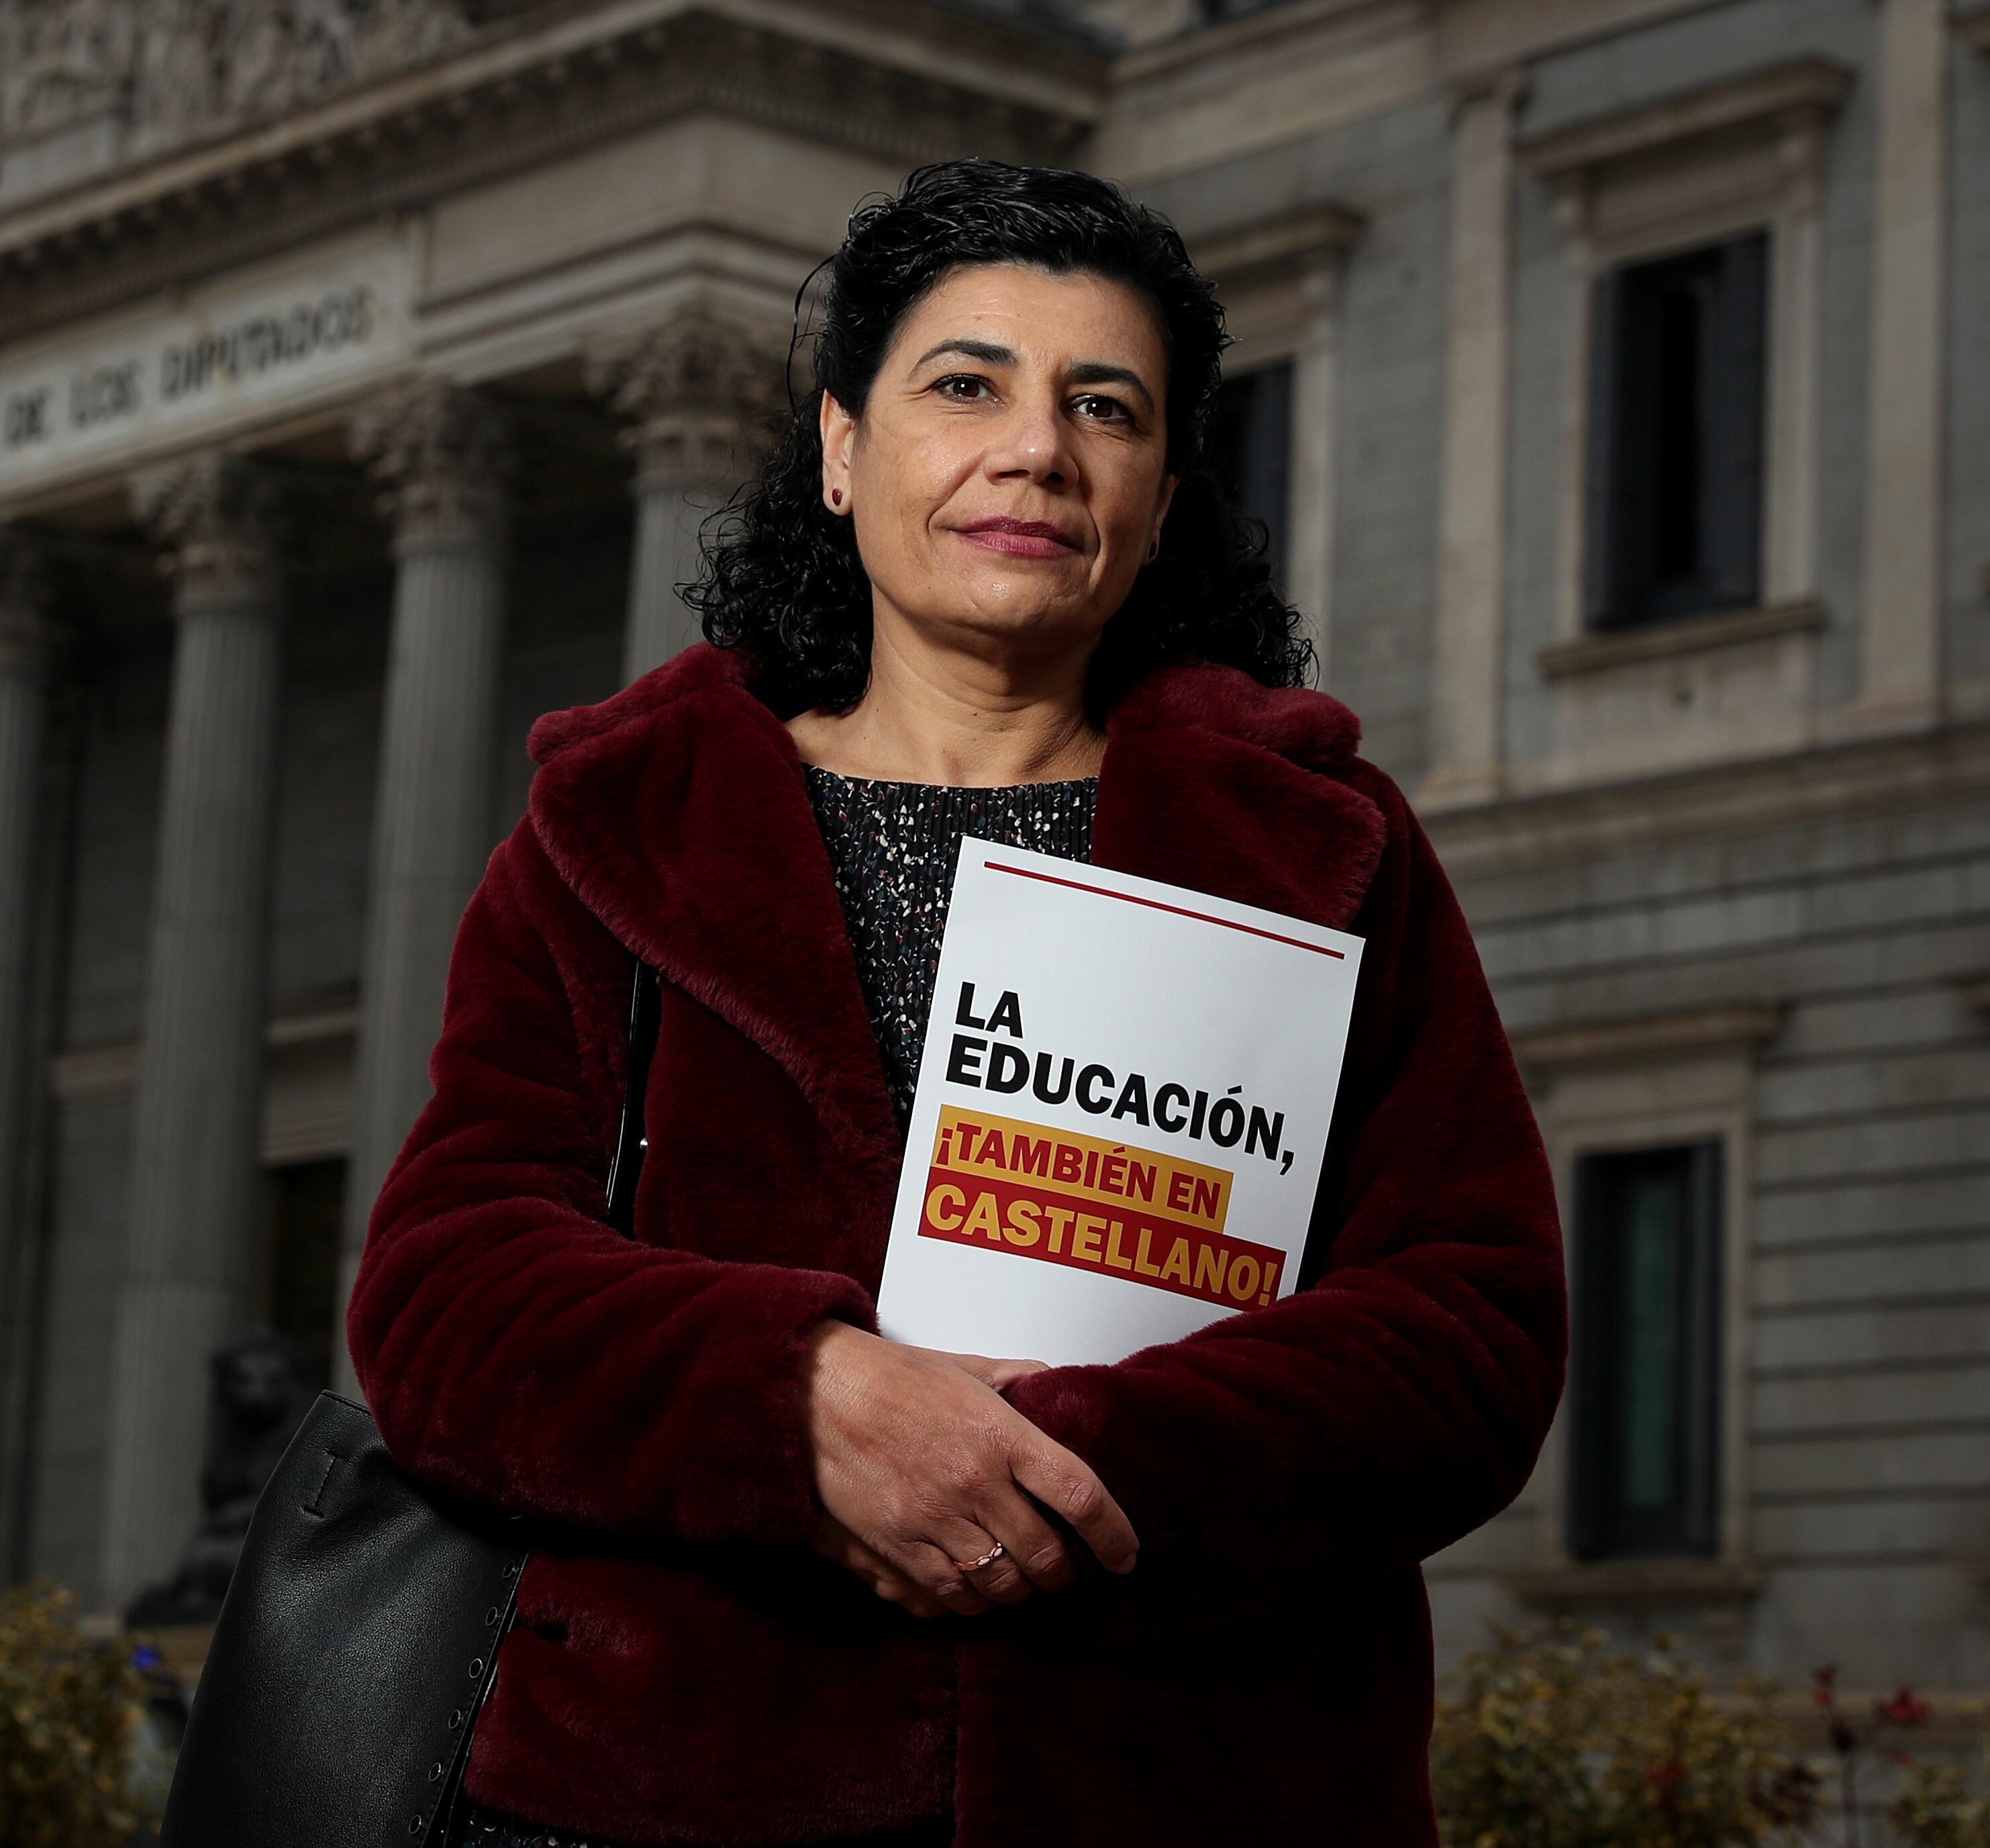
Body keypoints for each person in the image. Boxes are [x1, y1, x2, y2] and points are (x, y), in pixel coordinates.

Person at [348, 158, 1566, 1848]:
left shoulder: (1320, 841)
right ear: (845, 450)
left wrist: (1041, 1471)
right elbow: (443, 1296)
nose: (1036, 450)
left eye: (1105, 407)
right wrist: (808, 1400)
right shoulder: (616, 830)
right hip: (676, 1791)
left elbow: (1475, 1327)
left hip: (1191, 1785)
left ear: (1157, 485)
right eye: (966, 383)